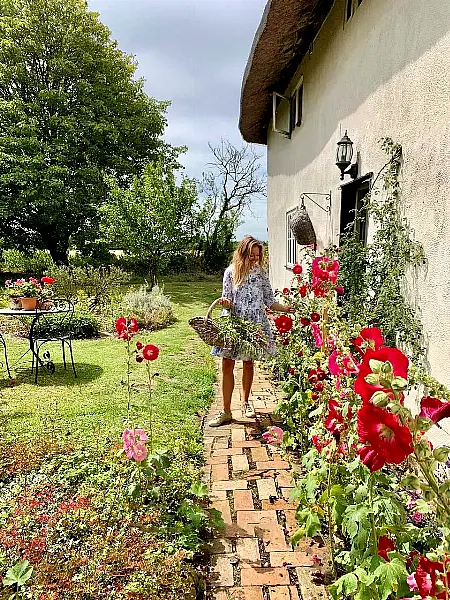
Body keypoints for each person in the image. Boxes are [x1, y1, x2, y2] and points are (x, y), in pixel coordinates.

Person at [208, 235, 295, 427]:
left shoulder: (260, 273)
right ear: (243, 253)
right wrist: (225, 302)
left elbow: (269, 300)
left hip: (253, 325)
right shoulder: (231, 273)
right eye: (252, 255)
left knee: (248, 364)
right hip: (234, 324)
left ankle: (246, 403)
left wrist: (285, 309)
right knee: (227, 366)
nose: (255, 259)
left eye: (258, 255)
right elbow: (227, 299)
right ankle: (226, 411)